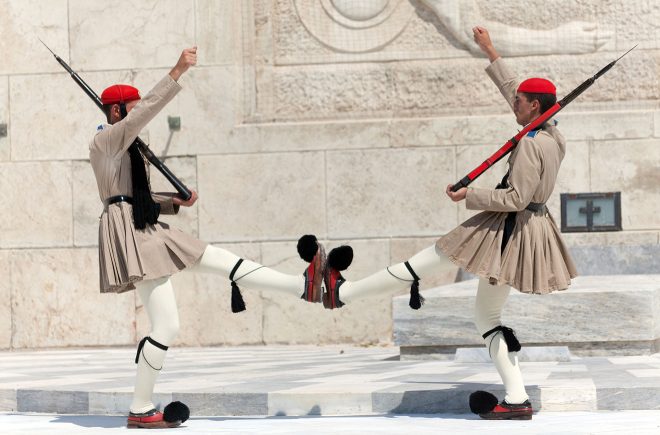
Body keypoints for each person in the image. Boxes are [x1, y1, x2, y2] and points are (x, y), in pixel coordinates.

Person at [319, 26, 577, 420]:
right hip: (529, 230)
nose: (514, 105)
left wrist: (467, 196)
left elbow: (516, 198)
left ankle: (344, 292)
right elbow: (514, 89)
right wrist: (491, 51)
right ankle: (516, 398)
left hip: (505, 230)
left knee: (424, 262)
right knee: (487, 319)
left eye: (521, 102)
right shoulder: (553, 135)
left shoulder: (529, 143)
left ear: (535, 107)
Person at [89, 47, 330, 428]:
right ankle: (140, 408)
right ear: (117, 112)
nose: (139, 116)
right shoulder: (105, 141)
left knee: (217, 259)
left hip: (146, 226)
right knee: (167, 326)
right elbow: (146, 118)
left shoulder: (123, 146)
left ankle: (304, 286)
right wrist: (177, 71)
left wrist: (174, 202)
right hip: (132, 235)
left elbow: (135, 196)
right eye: (131, 110)